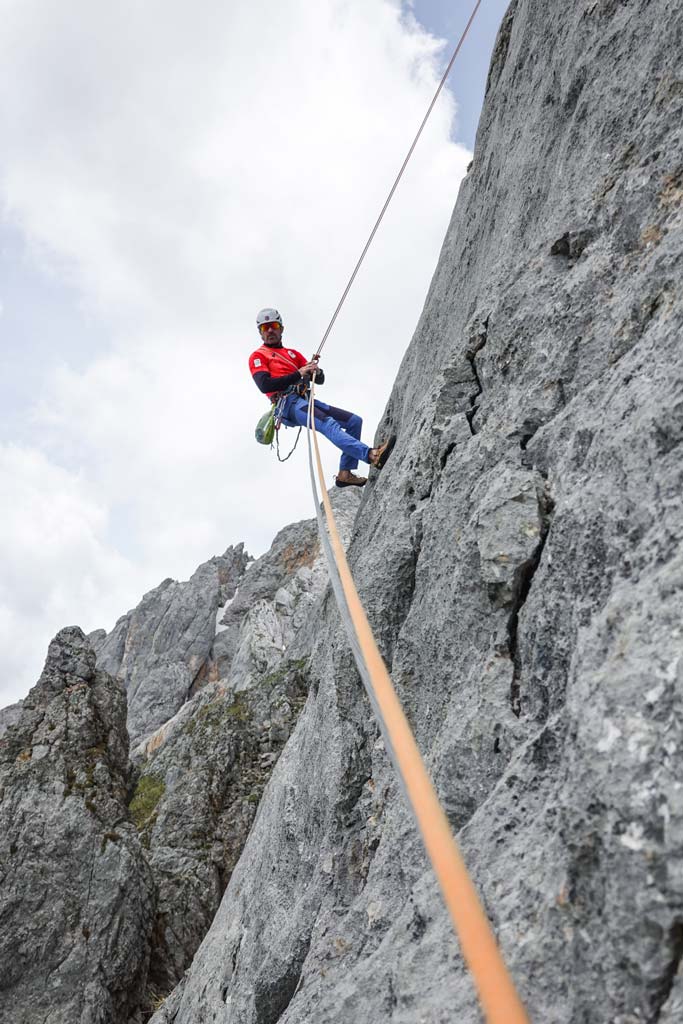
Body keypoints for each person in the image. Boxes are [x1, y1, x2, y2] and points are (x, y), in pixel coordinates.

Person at [249, 307, 395, 487]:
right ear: (260, 333)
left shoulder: (292, 354)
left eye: (272, 325)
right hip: (287, 404)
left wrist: (315, 371)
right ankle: (371, 455)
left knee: (354, 421)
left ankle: (345, 473)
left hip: (304, 400)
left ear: (281, 328)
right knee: (328, 424)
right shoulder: (258, 356)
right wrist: (299, 373)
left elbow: (320, 379)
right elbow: (265, 385)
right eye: (265, 328)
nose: (269, 330)